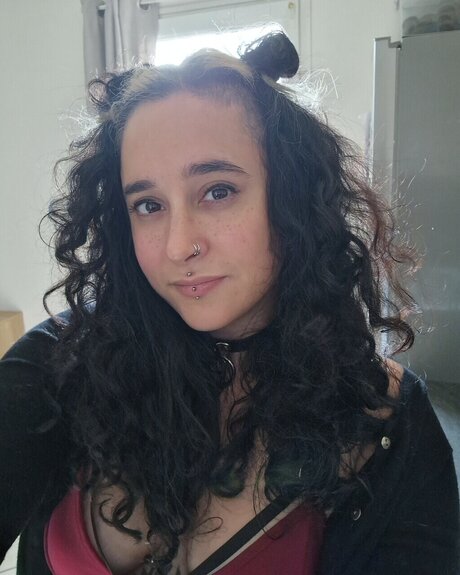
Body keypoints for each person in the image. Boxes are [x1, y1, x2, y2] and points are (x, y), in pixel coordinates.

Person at [0, 32, 458, 575]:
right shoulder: (61, 361)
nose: (178, 246)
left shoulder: (385, 417)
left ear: (291, 197)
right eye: (148, 205)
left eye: (217, 191)